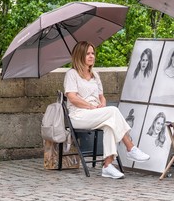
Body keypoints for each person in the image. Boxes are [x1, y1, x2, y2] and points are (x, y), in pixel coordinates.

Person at [64, 41, 150, 179]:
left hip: (95, 113)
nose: (91, 56)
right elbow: (72, 98)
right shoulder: (72, 74)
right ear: (80, 56)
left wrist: (101, 105)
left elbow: (101, 97)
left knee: (110, 125)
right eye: (87, 53)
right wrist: (91, 106)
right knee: (113, 111)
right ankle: (130, 147)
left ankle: (108, 166)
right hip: (79, 115)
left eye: (92, 53)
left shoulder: (95, 75)